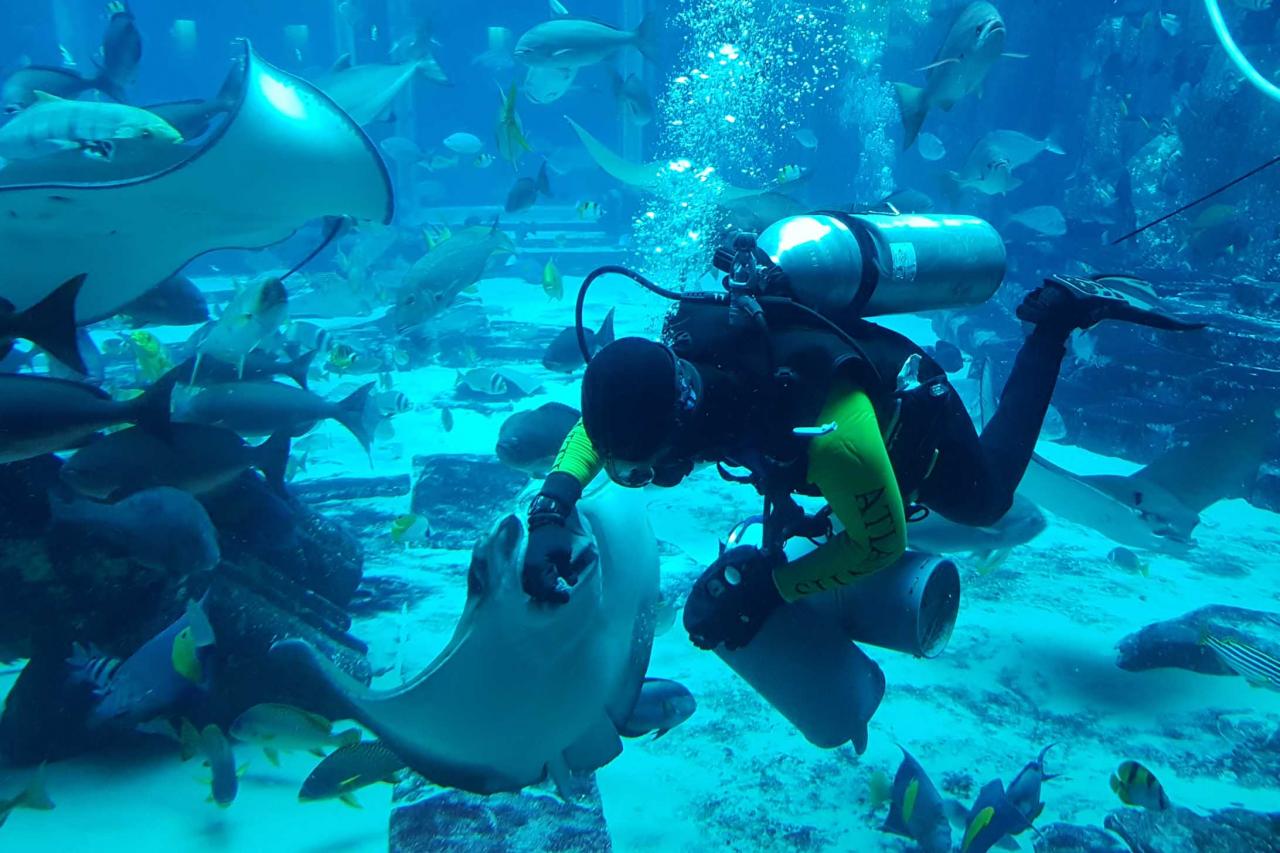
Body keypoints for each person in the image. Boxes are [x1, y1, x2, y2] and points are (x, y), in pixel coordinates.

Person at [519, 214, 1199, 652]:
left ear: (680, 434)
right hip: (805, 407)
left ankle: (1055, 319)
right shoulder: (672, 361)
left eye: (645, 470)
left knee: (987, 501)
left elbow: (881, 542)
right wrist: (554, 502)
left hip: (905, 410)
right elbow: (603, 421)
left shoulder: (826, 432)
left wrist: (773, 587)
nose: (644, 479)